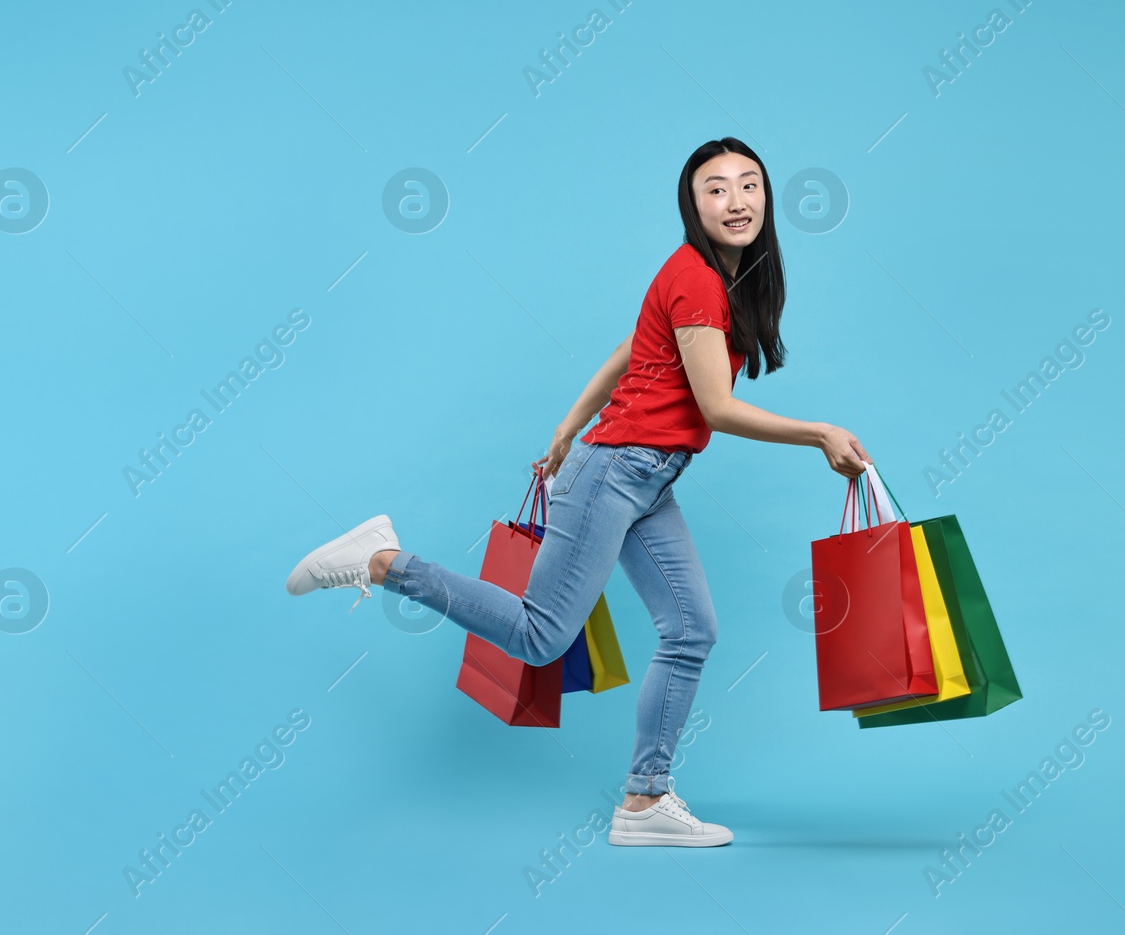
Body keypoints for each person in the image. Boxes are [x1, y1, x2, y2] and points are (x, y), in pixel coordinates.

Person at [284, 136, 872, 847]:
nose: (736, 199)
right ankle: (383, 561)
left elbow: (632, 350)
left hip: (645, 478)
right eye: (715, 188)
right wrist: (818, 433)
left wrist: (566, 426)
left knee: (691, 630)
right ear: (692, 205)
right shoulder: (696, 277)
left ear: (767, 196)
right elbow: (715, 406)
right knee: (540, 635)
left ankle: (643, 801)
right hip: (616, 473)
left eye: (749, 184)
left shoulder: (724, 279)